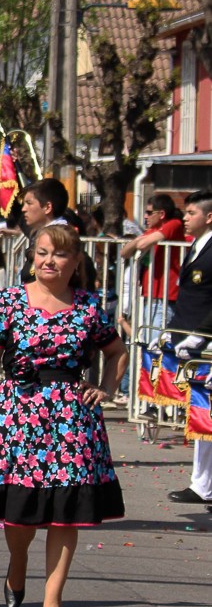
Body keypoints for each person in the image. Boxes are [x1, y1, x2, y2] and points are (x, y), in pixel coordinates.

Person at [0, 224, 126, 607]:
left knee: (65, 514)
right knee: (20, 517)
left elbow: (116, 352)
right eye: (42, 252)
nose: (48, 260)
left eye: (59, 254)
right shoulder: (8, 301)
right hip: (17, 415)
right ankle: (18, 566)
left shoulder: (88, 307)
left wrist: (105, 389)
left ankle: (53, 601)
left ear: (76, 262)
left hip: (72, 420)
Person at [164, 190, 212, 510]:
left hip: (206, 339)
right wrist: (173, 331)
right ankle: (203, 483)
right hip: (189, 336)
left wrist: (200, 335)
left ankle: (203, 484)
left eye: (191, 212)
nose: (185, 217)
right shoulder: (196, 245)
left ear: (209, 216)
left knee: (205, 412)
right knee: (202, 413)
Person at [120, 193, 185, 346]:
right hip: (151, 296)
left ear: (161, 214)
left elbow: (142, 245)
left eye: (149, 212)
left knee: (155, 345)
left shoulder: (174, 223)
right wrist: (139, 239)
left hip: (166, 297)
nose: (145, 216)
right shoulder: (152, 230)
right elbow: (125, 252)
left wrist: (139, 241)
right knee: (148, 341)